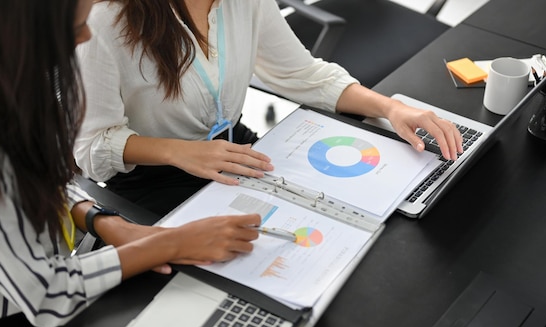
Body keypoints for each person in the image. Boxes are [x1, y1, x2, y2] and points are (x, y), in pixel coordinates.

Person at [0, 0, 260, 327]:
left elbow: (32, 182)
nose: (88, 35)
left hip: (46, 286)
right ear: (21, 37)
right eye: (76, 28)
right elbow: (45, 291)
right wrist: (172, 242)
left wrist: (102, 221)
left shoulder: (11, 86)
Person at [74, 0, 464, 216]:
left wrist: (391, 108)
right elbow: (92, 146)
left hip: (233, 148)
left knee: (342, 218)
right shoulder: (104, 20)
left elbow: (303, 74)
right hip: (154, 175)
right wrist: (180, 151)